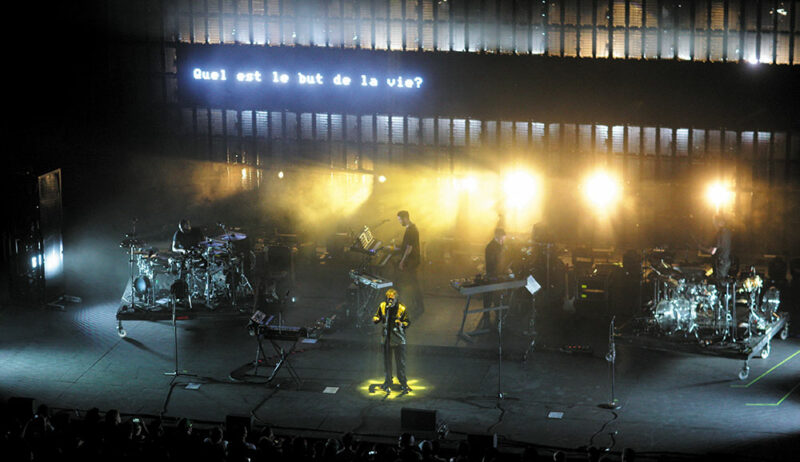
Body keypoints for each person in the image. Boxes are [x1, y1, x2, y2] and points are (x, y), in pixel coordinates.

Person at [373, 288, 411, 392]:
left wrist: (402, 324)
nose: (390, 301)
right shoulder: (383, 306)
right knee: (387, 363)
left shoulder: (402, 308)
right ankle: (388, 382)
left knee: (400, 363)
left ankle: (403, 382)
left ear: (396, 299)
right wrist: (376, 319)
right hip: (386, 339)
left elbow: (407, 322)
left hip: (399, 339)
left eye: (392, 299)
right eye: (388, 299)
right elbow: (377, 316)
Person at [396, 210, 425, 318]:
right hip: (413, 260)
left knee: (414, 284)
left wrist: (402, 261)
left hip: (411, 261)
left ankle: (419, 307)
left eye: (400, 220)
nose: (399, 222)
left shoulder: (411, 230)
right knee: (413, 284)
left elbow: (409, 248)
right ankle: (417, 305)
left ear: (405, 218)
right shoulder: (412, 228)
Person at [481, 228, 507, 329]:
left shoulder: (497, 246)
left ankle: (493, 318)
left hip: (496, 275)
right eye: (502, 238)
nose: (503, 240)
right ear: (498, 236)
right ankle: (488, 319)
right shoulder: (491, 247)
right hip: (493, 276)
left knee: (494, 298)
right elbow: (493, 263)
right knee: (490, 298)